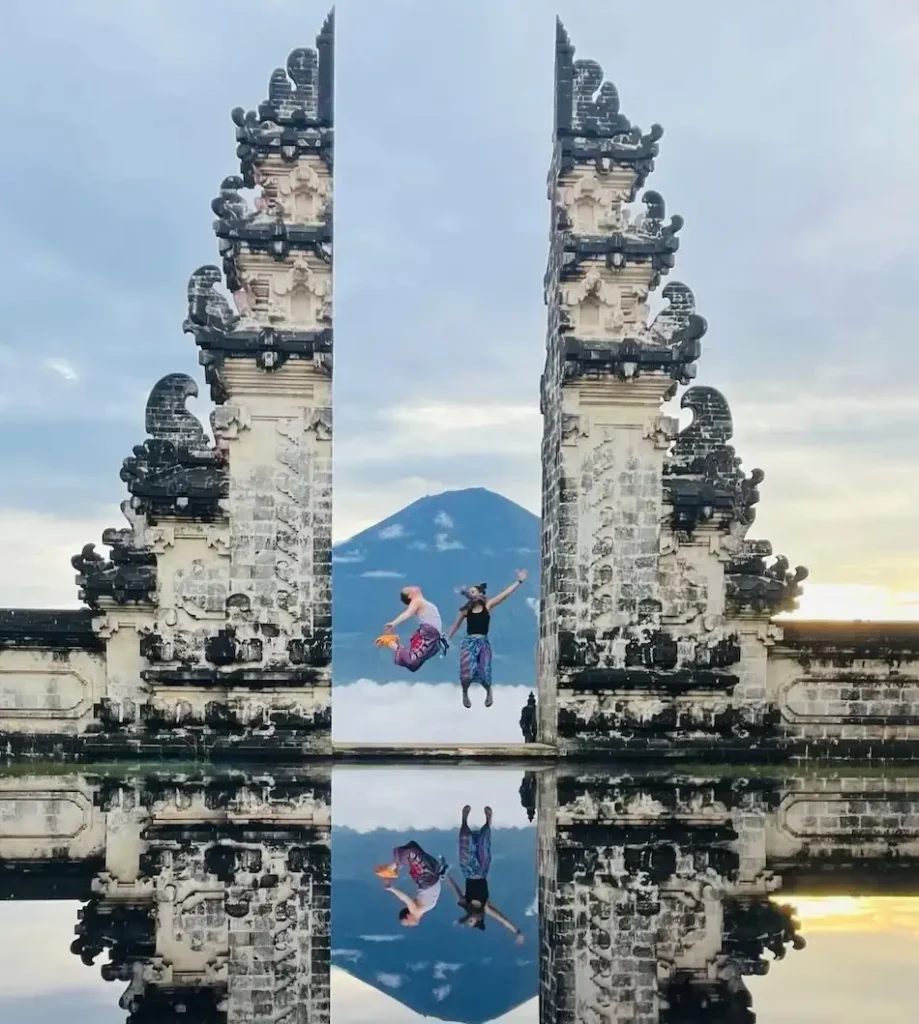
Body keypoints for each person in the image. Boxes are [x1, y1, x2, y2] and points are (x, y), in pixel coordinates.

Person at [446, 570, 528, 708]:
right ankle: (465, 692)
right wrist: (447, 639)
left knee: (484, 671)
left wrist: (519, 581)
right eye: (469, 592)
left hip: (483, 642)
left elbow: (505, 595)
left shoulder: (487, 606)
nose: (470, 593)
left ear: (480, 594)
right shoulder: (466, 610)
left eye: (473, 591)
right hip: (469, 642)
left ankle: (489, 691)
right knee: (467, 671)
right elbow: (456, 625)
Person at [444, 805, 524, 943]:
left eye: (468, 920)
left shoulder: (466, 903)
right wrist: (517, 932)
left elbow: (455, 889)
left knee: (465, 838)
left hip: (468, 870)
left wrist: (446, 875)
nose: (469, 919)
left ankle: (464, 819)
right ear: (478, 919)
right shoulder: (485, 907)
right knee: (483, 841)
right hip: (482, 870)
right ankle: (488, 820)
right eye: (471, 921)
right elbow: (502, 919)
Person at [374, 585, 448, 673]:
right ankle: (390, 642)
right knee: (412, 661)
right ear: (410, 596)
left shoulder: (424, 602)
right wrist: (393, 624)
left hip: (434, 637)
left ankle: (393, 643)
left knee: (414, 666)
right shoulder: (416, 601)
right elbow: (408, 613)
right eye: (410, 588)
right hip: (429, 633)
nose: (413, 586)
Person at [374, 840, 448, 927]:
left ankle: (391, 868)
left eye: (407, 924)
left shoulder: (415, 911)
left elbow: (405, 898)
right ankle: (394, 868)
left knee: (411, 853)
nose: (409, 926)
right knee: (414, 848)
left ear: (408, 916)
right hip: (432, 877)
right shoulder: (421, 910)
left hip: (426, 879)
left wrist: (391, 889)